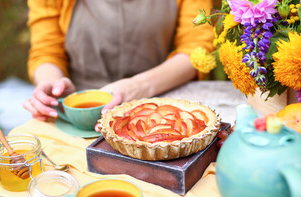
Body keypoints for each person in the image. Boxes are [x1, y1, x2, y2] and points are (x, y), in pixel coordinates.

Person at [23, 0, 214, 121]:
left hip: (155, 110)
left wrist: (140, 86)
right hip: (77, 113)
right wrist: (53, 85)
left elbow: (197, 51)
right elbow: (46, 51)